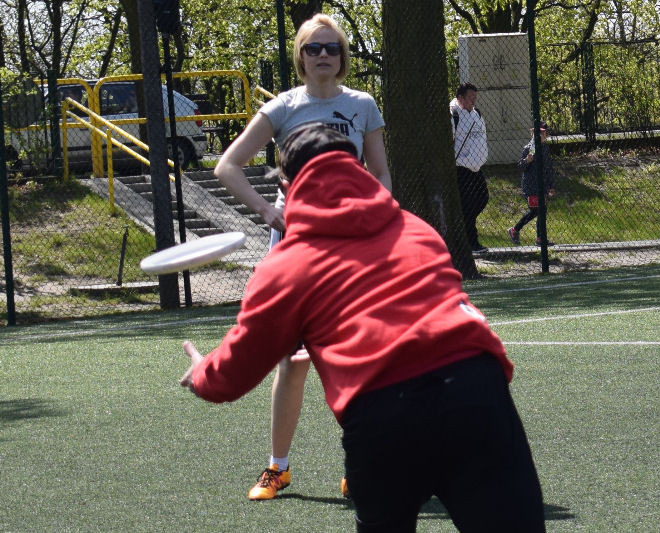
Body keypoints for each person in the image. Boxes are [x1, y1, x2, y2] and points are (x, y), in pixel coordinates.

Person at [181, 123, 546, 533]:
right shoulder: (415, 228)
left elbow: (234, 372)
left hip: (384, 413)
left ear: (286, 183)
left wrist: (201, 373)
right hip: (478, 390)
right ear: (359, 168)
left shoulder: (285, 266)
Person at [212, 13, 391, 501]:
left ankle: (360, 466)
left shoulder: (363, 105)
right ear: (300, 56)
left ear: (343, 55)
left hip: (350, 247)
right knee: (292, 361)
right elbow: (227, 166)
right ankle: (278, 468)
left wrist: (372, 223)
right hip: (296, 247)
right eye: (314, 48)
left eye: (332, 47)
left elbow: (381, 176)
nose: (323, 56)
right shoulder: (282, 107)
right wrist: (270, 212)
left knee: (356, 356)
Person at [449, 82, 489, 254]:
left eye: (475, 97)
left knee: (482, 198)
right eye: (470, 97)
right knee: (468, 205)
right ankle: (471, 242)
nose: (474, 101)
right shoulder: (453, 116)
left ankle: (467, 233)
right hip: (461, 168)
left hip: (476, 166)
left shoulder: (477, 114)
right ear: (460, 98)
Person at [508, 122, 555, 247]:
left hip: (542, 185)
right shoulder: (529, 148)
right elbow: (520, 166)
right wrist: (526, 161)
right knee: (539, 210)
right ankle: (538, 238)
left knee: (538, 211)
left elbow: (549, 168)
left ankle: (516, 230)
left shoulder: (545, 148)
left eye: (542, 133)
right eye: (537, 133)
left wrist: (551, 185)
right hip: (530, 186)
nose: (540, 135)